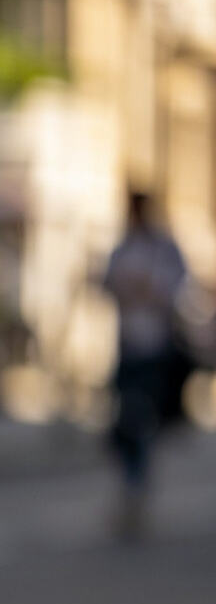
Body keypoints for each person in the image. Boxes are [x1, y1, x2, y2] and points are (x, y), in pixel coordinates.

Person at [102, 191, 188, 541]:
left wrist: (143, 290)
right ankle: (131, 481)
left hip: (155, 349)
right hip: (127, 347)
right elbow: (110, 285)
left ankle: (137, 484)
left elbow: (172, 290)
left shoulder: (163, 249)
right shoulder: (123, 249)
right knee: (124, 421)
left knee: (141, 418)